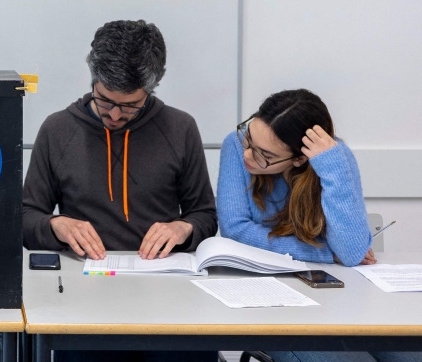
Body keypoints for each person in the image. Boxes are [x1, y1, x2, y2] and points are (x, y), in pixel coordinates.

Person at [23, 20, 218, 362]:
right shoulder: (58, 129)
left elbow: (205, 216)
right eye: (105, 100)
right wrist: (57, 226)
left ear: (152, 87)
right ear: (92, 78)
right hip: (84, 298)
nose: (114, 114)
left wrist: (183, 228)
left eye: (130, 105)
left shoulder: (180, 127)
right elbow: (25, 218)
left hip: (168, 297)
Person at [218, 89, 421, 362]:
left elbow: (349, 253)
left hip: (341, 302)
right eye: (249, 138)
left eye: (264, 154)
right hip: (271, 300)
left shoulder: (334, 157)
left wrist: (332, 166)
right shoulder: (235, 145)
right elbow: (236, 231)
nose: (248, 155)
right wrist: (324, 252)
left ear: (300, 158)